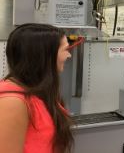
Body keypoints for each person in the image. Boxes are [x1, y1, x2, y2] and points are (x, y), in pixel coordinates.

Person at [0, 23, 74, 153]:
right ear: (44, 56)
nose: (69, 55)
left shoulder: (37, 91)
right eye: (65, 50)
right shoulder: (12, 102)